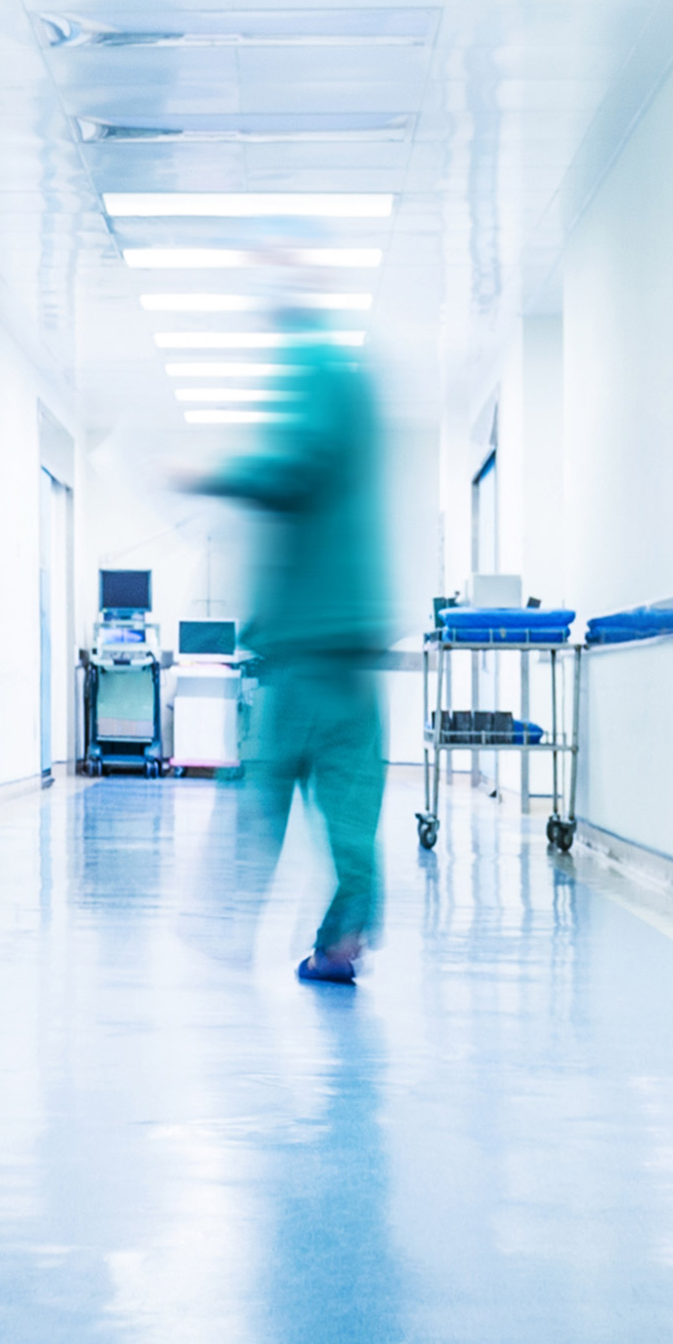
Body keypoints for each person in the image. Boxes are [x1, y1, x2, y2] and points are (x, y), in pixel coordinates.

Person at [187, 308, 391, 984]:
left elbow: (289, 470)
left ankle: (226, 920)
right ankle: (341, 941)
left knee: (266, 787)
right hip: (354, 648)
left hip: (304, 647)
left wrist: (209, 474)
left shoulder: (315, 376)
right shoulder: (359, 395)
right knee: (352, 803)